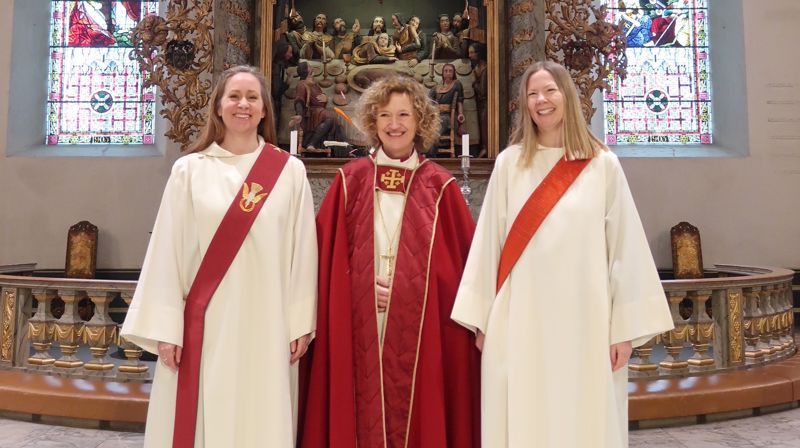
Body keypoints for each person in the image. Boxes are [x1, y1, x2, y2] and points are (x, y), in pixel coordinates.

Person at [451, 61, 673, 447]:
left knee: (583, 417)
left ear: (567, 96)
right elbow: (489, 244)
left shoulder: (602, 165)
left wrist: (623, 330)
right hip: (520, 318)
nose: (542, 100)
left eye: (550, 90)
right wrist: (482, 318)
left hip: (586, 321)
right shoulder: (510, 164)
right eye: (533, 94)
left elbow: (624, 247)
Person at [121, 65, 318, 448]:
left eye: (252, 98)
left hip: (269, 322)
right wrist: (166, 328)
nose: (242, 105)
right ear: (218, 107)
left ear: (264, 110)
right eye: (234, 96)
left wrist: (300, 323)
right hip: (204, 325)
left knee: (260, 416)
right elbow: (166, 251)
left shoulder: (289, 172)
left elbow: (303, 251)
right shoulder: (189, 171)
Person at [300, 74, 481, 448]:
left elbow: (463, 273)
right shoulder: (350, 181)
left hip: (423, 333)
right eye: (384, 116)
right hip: (360, 323)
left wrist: (410, 289)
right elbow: (321, 265)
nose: (394, 125)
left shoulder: (440, 187)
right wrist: (360, 288)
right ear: (372, 122)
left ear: (420, 121)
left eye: (404, 115)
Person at [290, 61, 341, 152]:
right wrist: (299, 114)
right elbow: (299, 100)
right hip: (311, 113)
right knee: (331, 117)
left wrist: (325, 98)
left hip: (319, 111)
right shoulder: (302, 84)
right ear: (306, 70)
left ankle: (324, 145)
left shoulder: (314, 84)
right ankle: (311, 143)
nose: (312, 67)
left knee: (333, 117)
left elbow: (319, 97)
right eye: (309, 66)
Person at [428, 63, 464, 156]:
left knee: (433, 131)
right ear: (442, 73)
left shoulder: (456, 84)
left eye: (450, 71)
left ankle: (431, 157)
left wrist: (460, 118)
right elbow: (428, 102)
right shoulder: (436, 87)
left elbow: (460, 102)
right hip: (435, 116)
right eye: (446, 71)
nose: (448, 73)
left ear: (454, 73)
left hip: (446, 118)